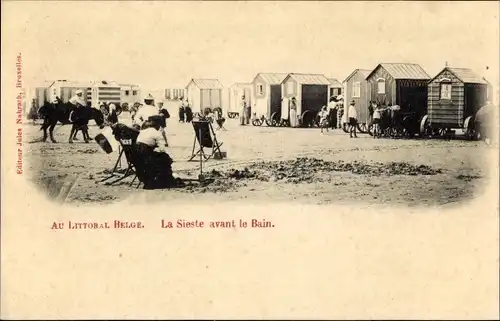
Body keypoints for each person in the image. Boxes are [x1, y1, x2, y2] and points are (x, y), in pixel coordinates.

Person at [135, 120, 177, 189]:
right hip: (147, 156)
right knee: (165, 158)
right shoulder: (157, 133)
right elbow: (162, 149)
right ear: (157, 127)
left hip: (138, 156)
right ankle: (166, 180)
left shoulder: (142, 132)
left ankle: (153, 180)